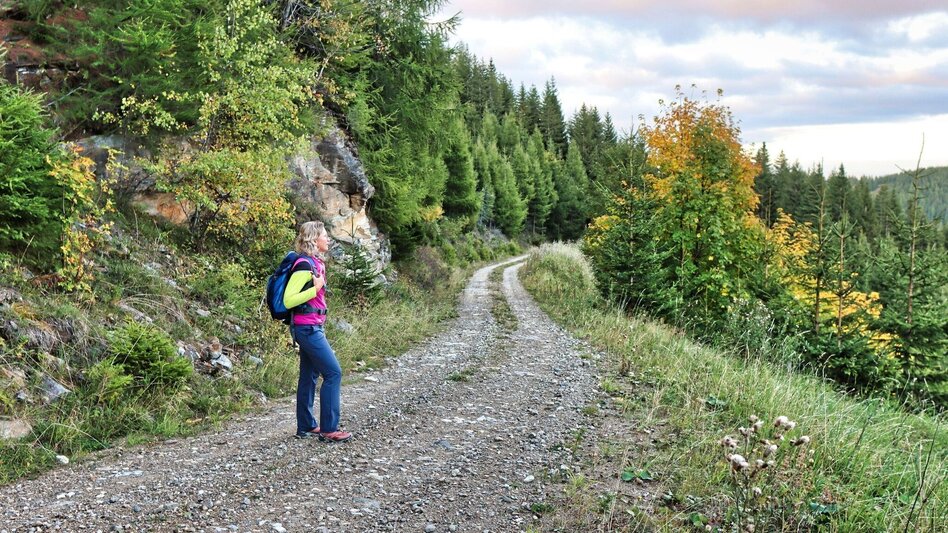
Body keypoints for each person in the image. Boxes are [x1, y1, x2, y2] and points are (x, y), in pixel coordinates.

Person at [283, 221, 352, 442]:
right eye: (324, 235)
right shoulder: (304, 265)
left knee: (309, 376)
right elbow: (288, 299)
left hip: (312, 326)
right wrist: (317, 286)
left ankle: (306, 425)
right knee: (333, 373)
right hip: (308, 328)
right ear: (314, 240)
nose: (328, 239)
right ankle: (329, 429)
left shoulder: (314, 263)